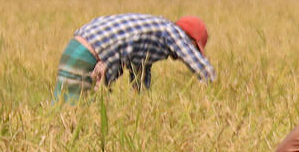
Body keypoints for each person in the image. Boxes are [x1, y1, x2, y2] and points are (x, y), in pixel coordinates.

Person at [52, 13, 216, 102]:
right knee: (77, 112)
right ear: (190, 39)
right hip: (87, 57)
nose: (181, 57)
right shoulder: (172, 32)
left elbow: (140, 73)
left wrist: (143, 106)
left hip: (74, 49)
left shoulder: (154, 33)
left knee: (61, 108)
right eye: (194, 47)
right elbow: (202, 68)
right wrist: (215, 90)